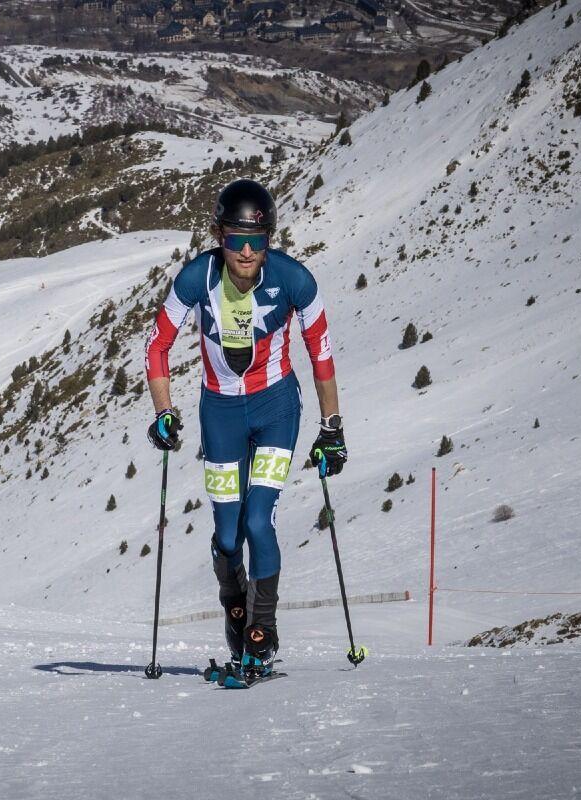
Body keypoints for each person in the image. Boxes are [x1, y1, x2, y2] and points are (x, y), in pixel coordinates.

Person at [143, 179, 347, 676]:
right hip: (220, 414)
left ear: (270, 240)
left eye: (258, 240)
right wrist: (164, 412)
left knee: (259, 521)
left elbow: (321, 354)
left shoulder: (296, 281)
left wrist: (332, 428)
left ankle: (262, 630)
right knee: (228, 536)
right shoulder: (196, 279)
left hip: (277, 406)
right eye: (236, 239)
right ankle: (236, 612)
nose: (247, 251)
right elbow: (157, 347)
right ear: (219, 237)